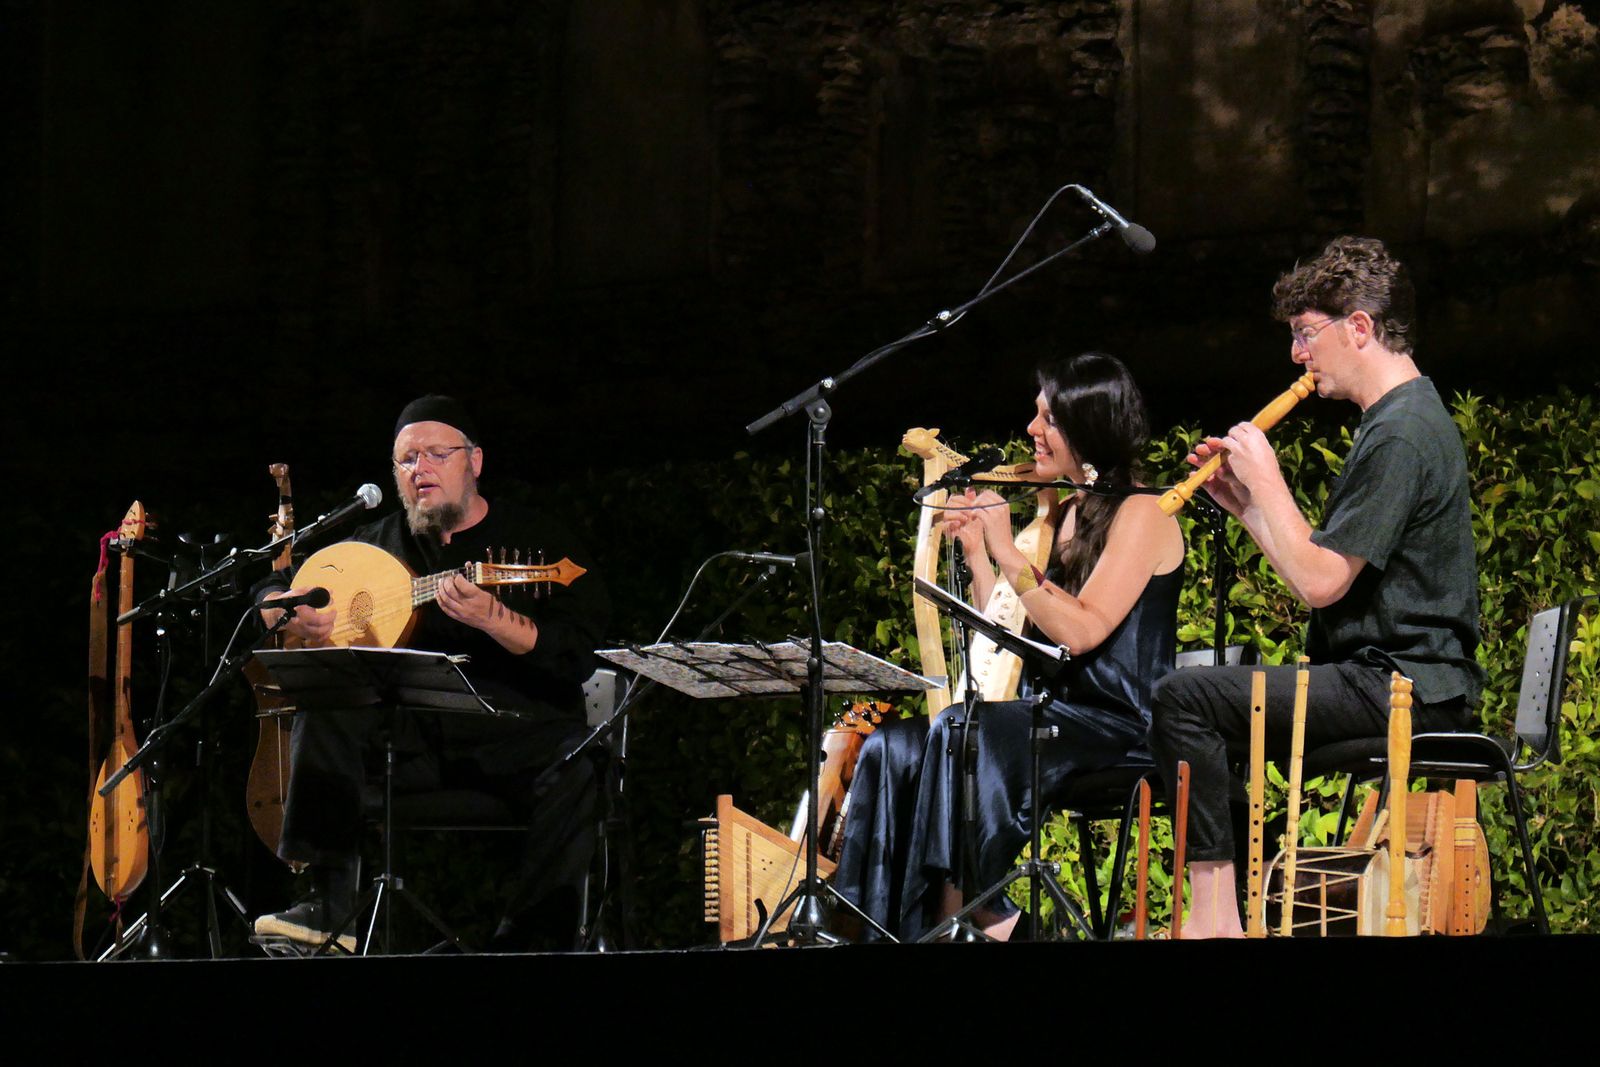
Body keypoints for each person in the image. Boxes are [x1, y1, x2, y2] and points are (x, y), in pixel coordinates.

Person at [1147, 236, 1484, 938]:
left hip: (1402, 687)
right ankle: (1228, 907)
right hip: (1391, 679)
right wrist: (1244, 504)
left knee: (1187, 698)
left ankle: (1214, 921)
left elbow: (1323, 580)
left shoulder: (1401, 433)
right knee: (1210, 702)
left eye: (1306, 334)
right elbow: (1314, 576)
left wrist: (1269, 479)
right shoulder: (1396, 422)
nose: (1297, 355)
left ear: (1359, 327)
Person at [832, 352, 1184, 940]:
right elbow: (1020, 625)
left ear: (1086, 427)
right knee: (892, 744)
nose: (1031, 431)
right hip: (1051, 714)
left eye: (1047, 419)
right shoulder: (1062, 512)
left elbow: (1082, 629)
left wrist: (1007, 550)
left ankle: (975, 913)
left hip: (1117, 723)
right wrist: (977, 551)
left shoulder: (1143, 511)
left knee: (958, 729)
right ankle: (872, 919)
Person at [252, 395, 610, 952]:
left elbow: (580, 650)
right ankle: (328, 910)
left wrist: (496, 619)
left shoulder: (540, 540)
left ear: (475, 461)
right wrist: (281, 603)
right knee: (327, 702)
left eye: (436, 454)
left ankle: (532, 941)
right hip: (407, 741)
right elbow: (282, 590)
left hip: (509, 734)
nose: (420, 469)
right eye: (406, 460)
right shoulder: (375, 545)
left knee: (581, 765)